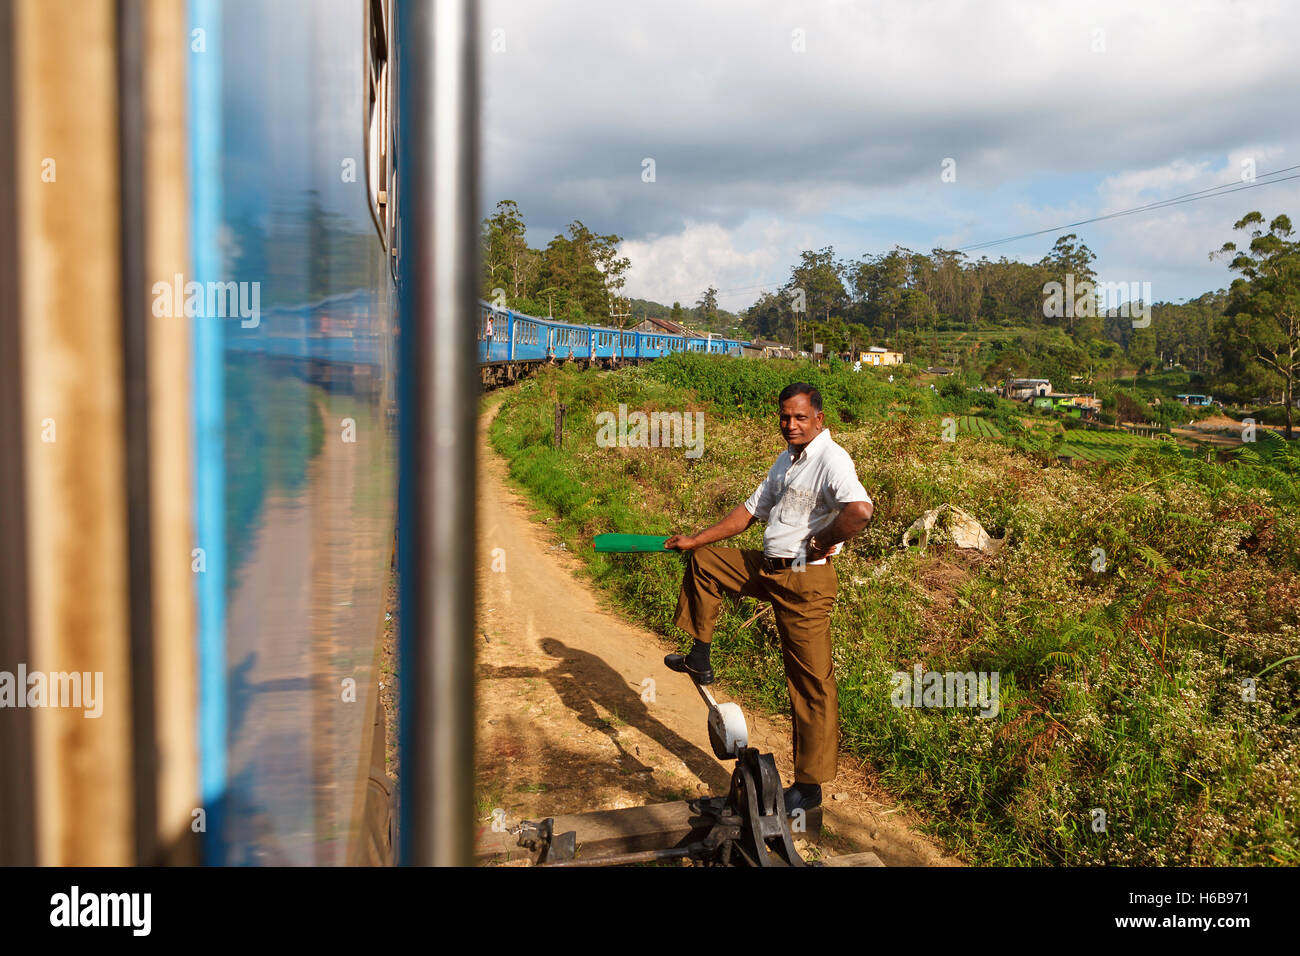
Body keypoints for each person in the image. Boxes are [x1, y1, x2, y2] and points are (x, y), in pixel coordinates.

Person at [663, 383, 873, 814]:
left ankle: (810, 786)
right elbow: (746, 513)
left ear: (819, 418)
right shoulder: (786, 461)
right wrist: (695, 539)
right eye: (784, 417)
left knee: (811, 684)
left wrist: (821, 542)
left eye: (799, 417)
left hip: (804, 581)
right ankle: (699, 654)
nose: (790, 425)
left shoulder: (832, 459)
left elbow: (860, 510)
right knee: (706, 560)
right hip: (768, 569)